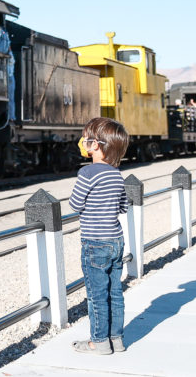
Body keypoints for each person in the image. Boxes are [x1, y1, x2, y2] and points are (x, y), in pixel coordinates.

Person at [69, 117, 130, 355]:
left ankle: (99, 342)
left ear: (95, 145)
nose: (83, 142)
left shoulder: (88, 173)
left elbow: (75, 204)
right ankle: (117, 339)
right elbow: (123, 206)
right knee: (115, 292)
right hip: (116, 240)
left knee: (96, 296)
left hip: (95, 242)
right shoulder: (116, 174)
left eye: (86, 139)